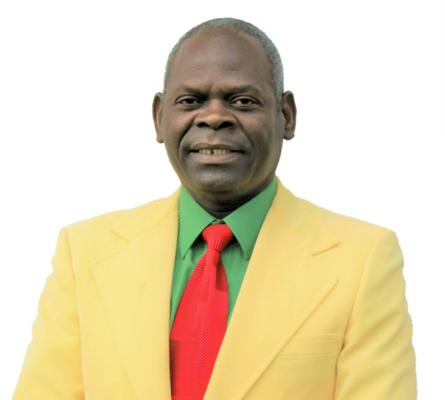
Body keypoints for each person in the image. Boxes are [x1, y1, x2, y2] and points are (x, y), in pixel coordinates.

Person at [13, 17, 416, 400]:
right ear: (160, 117)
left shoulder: (362, 260)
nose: (215, 117)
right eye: (191, 100)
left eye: (243, 101)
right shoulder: (85, 252)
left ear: (286, 116)